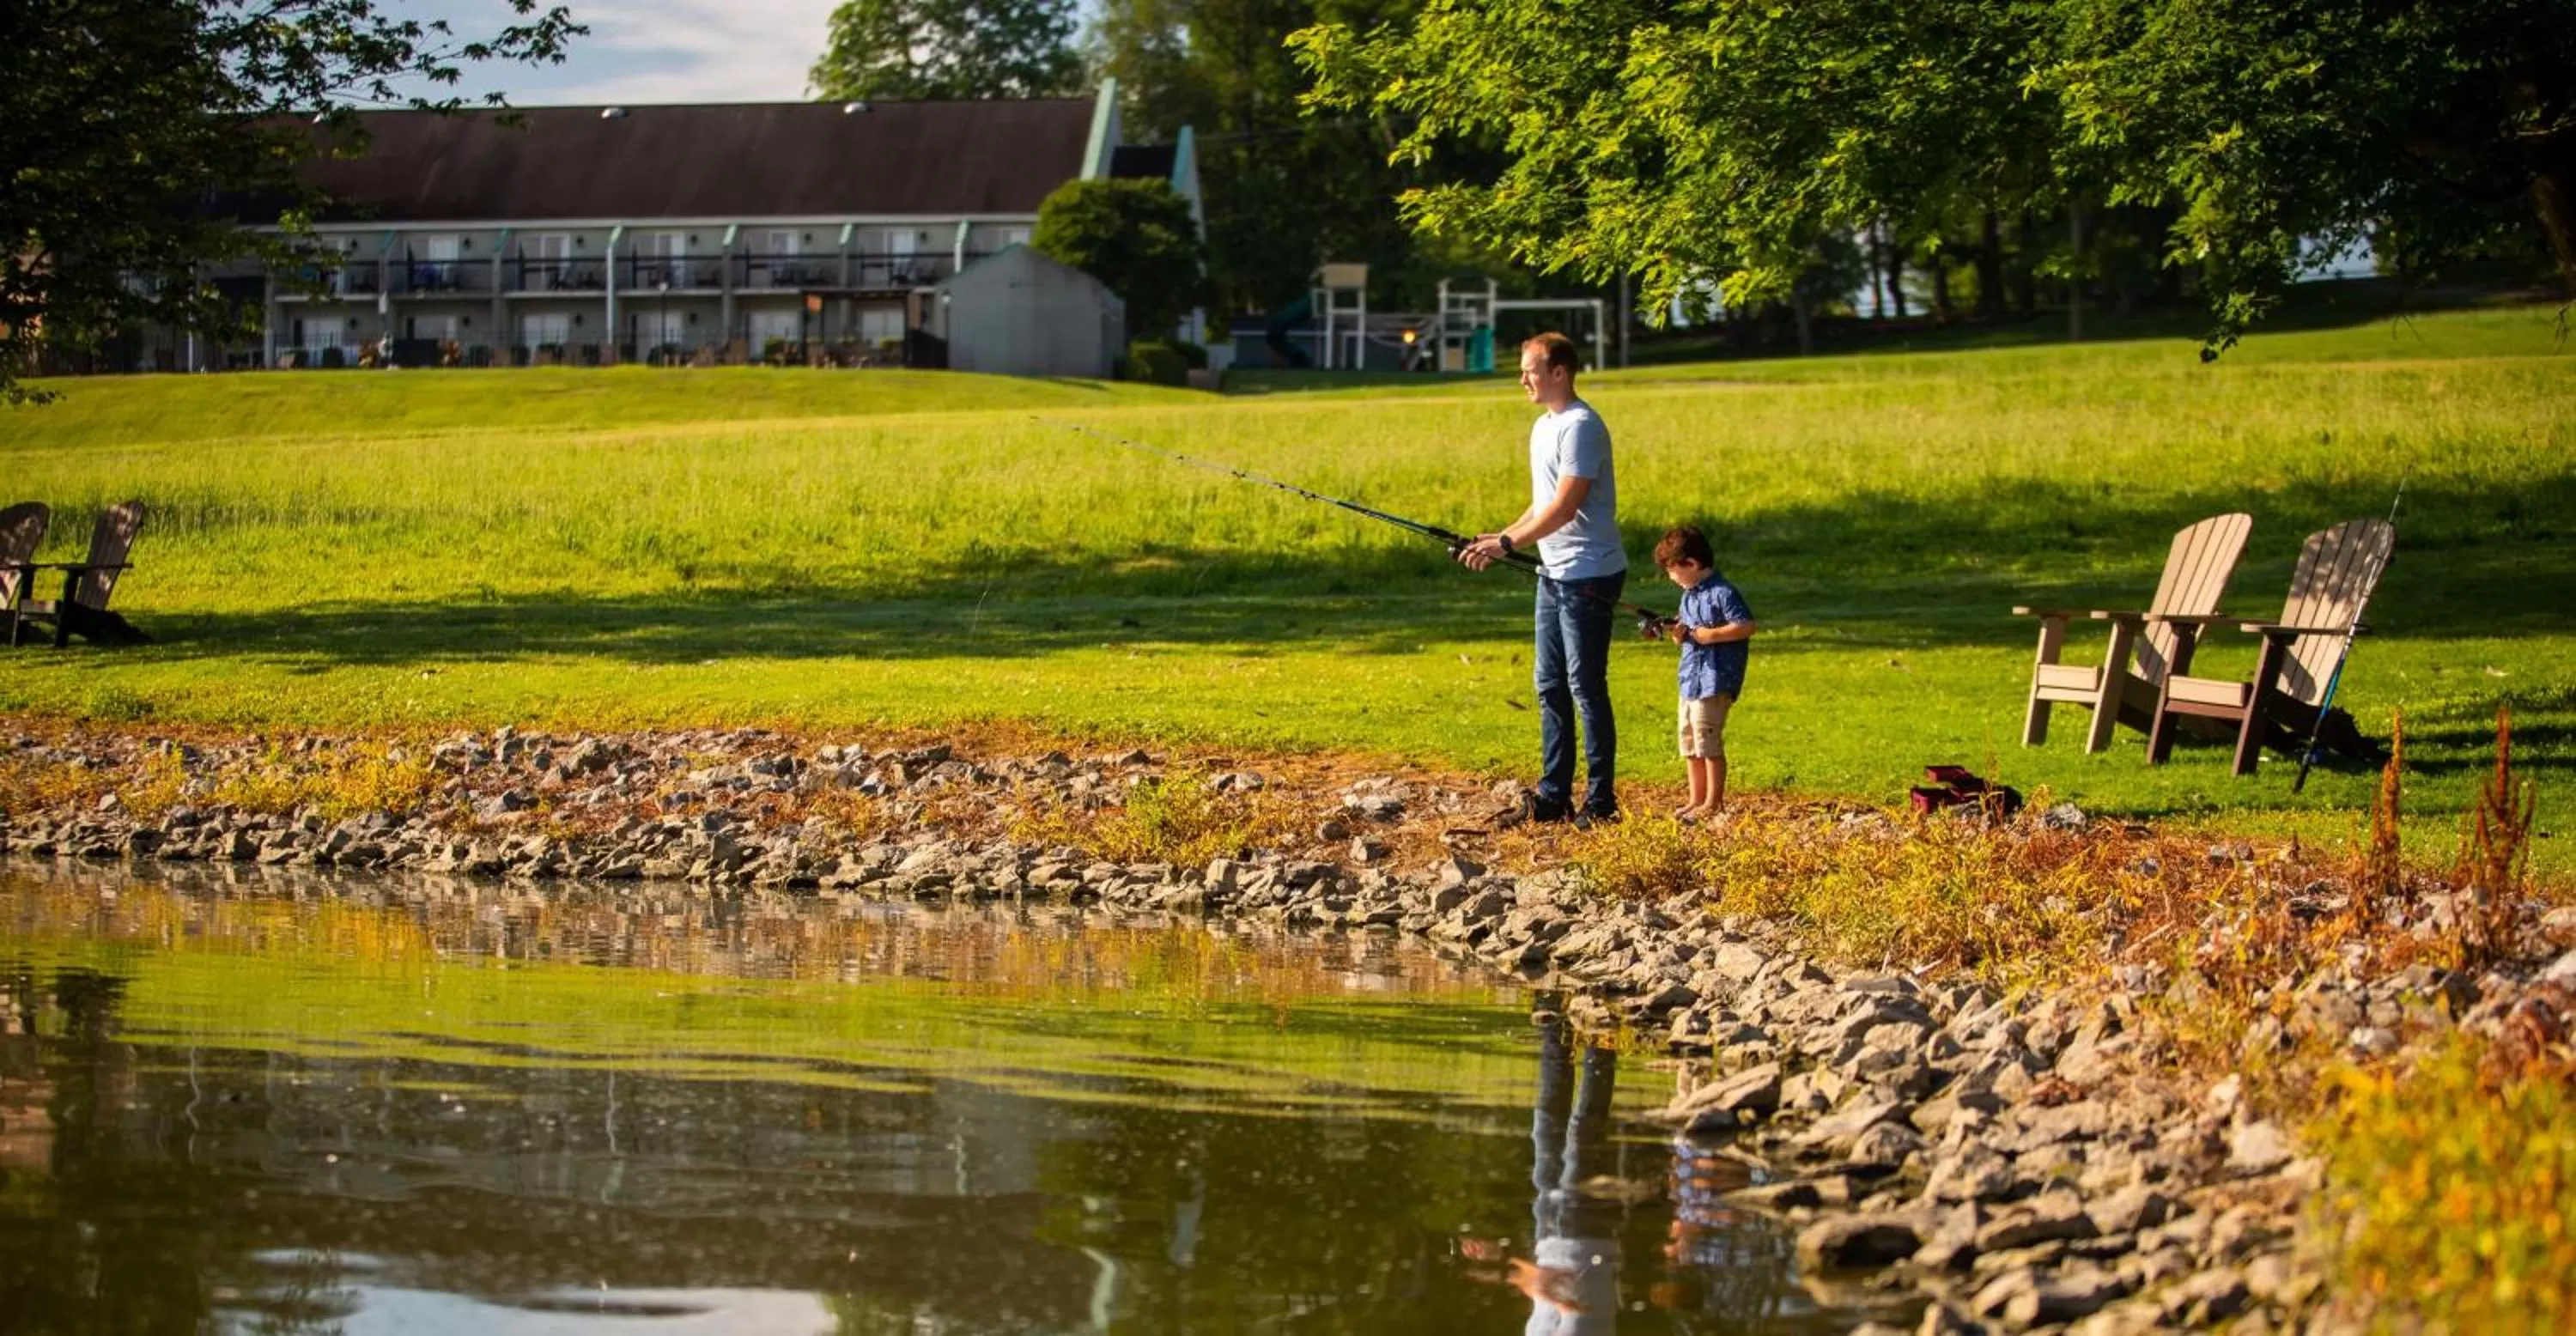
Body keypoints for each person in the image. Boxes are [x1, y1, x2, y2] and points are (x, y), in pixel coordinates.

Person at [1457, 333, 1626, 823]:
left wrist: (1509, 545)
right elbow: (1541, 502)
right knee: (1548, 684)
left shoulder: (1582, 426)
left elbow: (1567, 505)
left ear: (1559, 372)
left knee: (1584, 685)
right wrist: (1501, 535)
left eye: (1530, 369)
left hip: (1589, 571)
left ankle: (1601, 801)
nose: (1523, 378)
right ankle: (1553, 794)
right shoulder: (1543, 426)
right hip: (1553, 572)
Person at [1652, 525, 1756, 821]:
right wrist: (1677, 634)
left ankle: (1713, 802)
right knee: (1689, 741)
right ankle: (1695, 799)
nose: (1671, 578)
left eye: (1673, 570)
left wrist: (1710, 635)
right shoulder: (1688, 597)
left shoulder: (1723, 593)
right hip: (1690, 680)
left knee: (1707, 739)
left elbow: (1746, 625)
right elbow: (1684, 635)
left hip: (1714, 681)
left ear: (1692, 564)